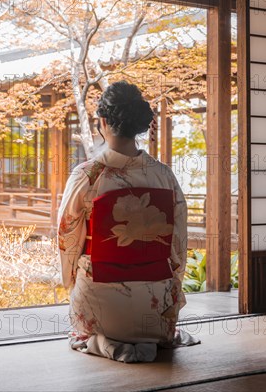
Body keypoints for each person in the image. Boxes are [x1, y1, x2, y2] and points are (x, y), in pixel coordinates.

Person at [57, 81, 199, 363]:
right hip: (155, 313)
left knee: (81, 286)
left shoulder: (87, 175)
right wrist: (171, 288)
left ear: (103, 121)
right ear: (138, 124)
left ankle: (98, 338)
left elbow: (67, 239)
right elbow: (178, 245)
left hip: (99, 308)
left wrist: (70, 281)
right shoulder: (164, 176)